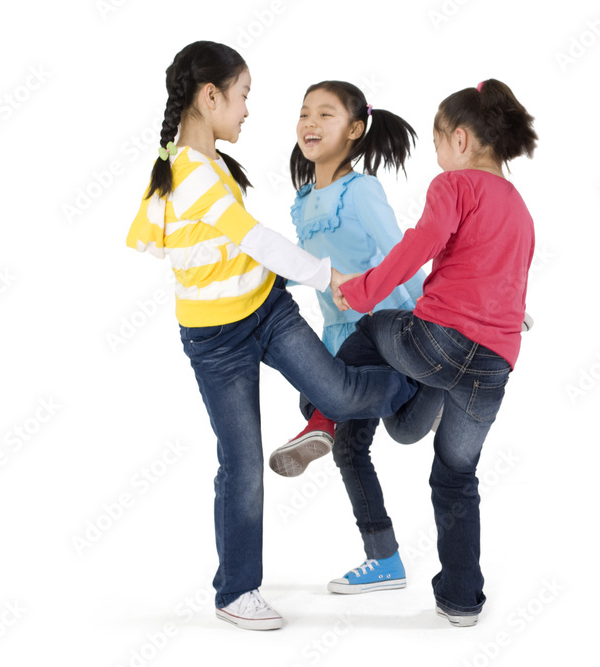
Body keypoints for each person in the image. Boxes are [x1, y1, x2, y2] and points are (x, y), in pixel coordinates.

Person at [124, 41, 418, 631]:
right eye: (243, 96)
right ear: (210, 98)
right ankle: (237, 591)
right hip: (215, 342)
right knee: (241, 462)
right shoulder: (189, 174)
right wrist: (331, 275)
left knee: (335, 394)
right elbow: (256, 240)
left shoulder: (211, 169)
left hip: (267, 309)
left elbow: (239, 249)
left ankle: (419, 377)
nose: (248, 111)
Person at [316, 78, 538, 625]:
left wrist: (362, 289)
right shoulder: (521, 210)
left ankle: (323, 412)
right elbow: (505, 279)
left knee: (375, 326)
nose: (437, 155)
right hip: (493, 363)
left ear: (460, 140)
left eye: (438, 141)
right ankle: (462, 603)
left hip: (436, 339)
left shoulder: (454, 185)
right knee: (455, 476)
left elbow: (418, 245)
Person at [268, 80, 427, 487]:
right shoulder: (303, 202)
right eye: (304, 113)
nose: (309, 122)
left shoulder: (360, 191)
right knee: (346, 448)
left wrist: (436, 311)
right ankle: (383, 552)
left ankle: (426, 381)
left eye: (325, 113)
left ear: (355, 130)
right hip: (337, 327)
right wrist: (264, 279)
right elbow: (308, 265)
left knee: (333, 399)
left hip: (382, 324)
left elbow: (400, 255)